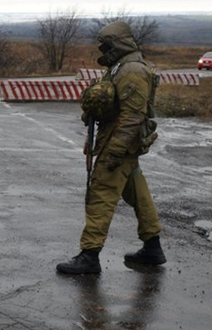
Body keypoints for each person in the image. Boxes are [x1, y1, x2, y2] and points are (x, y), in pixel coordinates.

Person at [57, 21, 166, 274]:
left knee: (101, 193)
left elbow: (132, 117)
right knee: (137, 192)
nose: (103, 49)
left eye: (106, 44)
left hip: (120, 143)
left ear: (118, 43)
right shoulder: (120, 67)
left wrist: (115, 151)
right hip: (115, 139)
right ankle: (152, 246)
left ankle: (90, 255)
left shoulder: (132, 70)